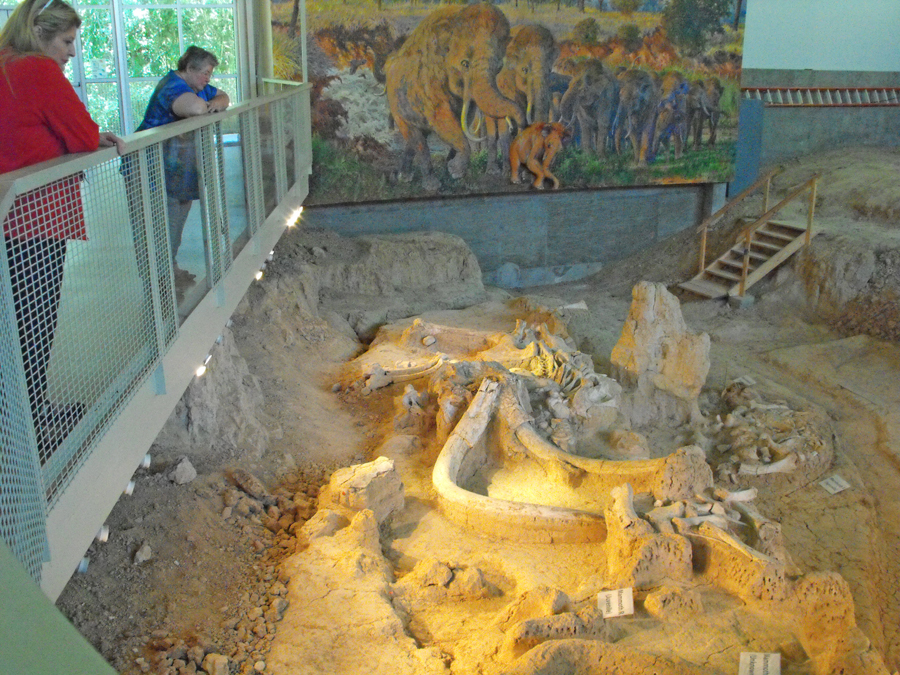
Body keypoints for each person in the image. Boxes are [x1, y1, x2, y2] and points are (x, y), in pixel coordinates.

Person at [0, 0, 123, 455]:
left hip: (11, 217)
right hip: (34, 220)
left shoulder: (5, 65)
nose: (71, 52)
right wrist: (93, 136)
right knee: (34, 325)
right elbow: (81, 133)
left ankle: (28, 418)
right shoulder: (35, 69)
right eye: (66, 42)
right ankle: (30, 434)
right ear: (41, 35)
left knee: (16, 325)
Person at [135, 46, 230, 288]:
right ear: (189, 69)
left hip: (176, 170)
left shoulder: (193, 86)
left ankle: (169, 271)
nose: (208, 79)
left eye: (210, 74)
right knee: (160, 225)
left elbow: (224, 97)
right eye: (205, 73)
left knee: (175, 222)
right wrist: (208, 106)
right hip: (151, 170)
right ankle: (157, 282)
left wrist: (215, 102)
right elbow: (196, 108)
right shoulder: (172, 86)